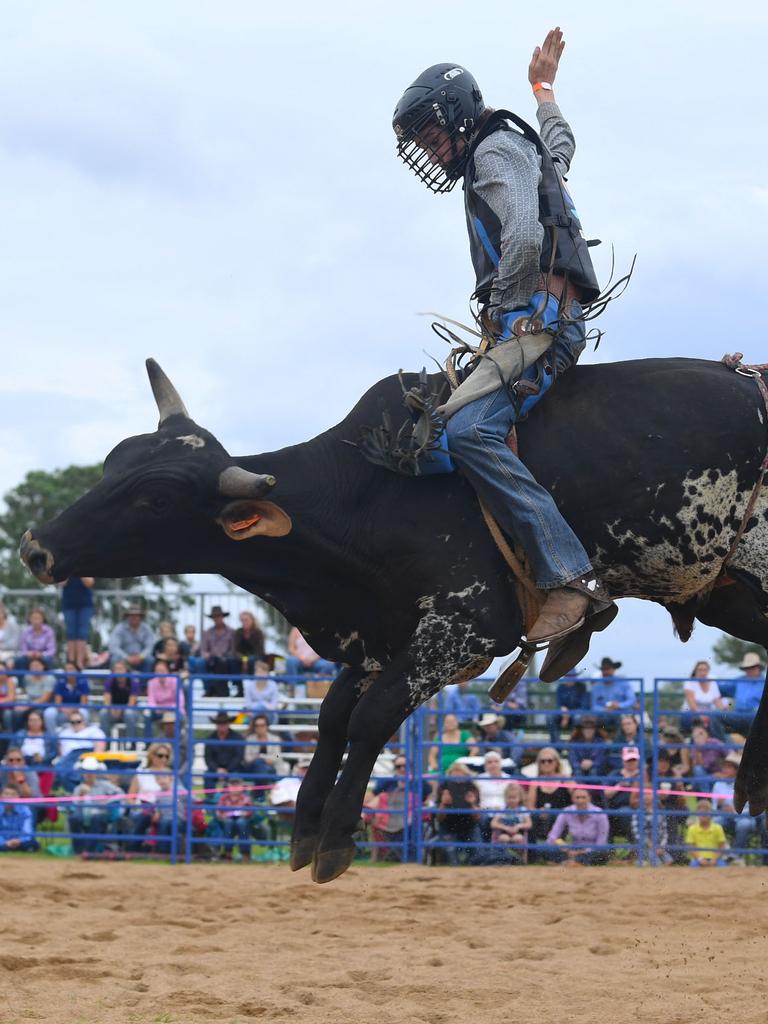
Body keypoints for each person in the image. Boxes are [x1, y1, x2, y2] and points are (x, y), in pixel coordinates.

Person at [392, 27, 615, 671]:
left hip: (535, 325)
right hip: (541, 317)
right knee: (436, 443)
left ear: (456, 119)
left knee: (464, 435)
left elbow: (519, 231)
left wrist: (504, 316)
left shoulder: (491, 156)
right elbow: (562, 149)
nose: (432, 155)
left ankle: (571, 579)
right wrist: (543, 91)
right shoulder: (521, 146)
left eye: (432, 139)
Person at [711, 751, 767, 860]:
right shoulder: (718, 784)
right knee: (716, 823)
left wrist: (735, 811)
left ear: (737, 770)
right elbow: (714, 808)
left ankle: (736, 855)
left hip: (746, 818)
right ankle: (719, 854)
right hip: (726, 818)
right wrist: (722, 808)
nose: (725, 770)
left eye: (729, 767)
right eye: (724, 767)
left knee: (744, 825)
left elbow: (753, 808)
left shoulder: (747, 785)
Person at [68, 757, 124, 854]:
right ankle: (78, 851)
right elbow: (74, 806)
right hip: (83, 815)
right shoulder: (78, 789)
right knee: (74, 819)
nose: (89, 774)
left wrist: (107, 801)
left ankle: (90, 851)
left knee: (96, 818)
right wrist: (80, 797)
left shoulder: (104, 785)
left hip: (101, 814)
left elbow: (120, 794)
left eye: (92, 771)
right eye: (86, 771)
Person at [433, 761, 482, 865]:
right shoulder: (443, 787)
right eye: (454, 776)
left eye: (460, 776)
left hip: (469, 826)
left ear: (466, 776)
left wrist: (472, 804)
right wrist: (443, 804)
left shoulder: (472, 788)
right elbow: (439, 818)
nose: (457, 780)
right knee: (452, 857)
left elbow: (477, 818)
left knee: (478, 855)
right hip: (448, 827)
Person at [525, 747, 572, 851]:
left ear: (556, 762)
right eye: (543, 761)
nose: (546, 764)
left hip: (562, 818)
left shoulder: (565, 780)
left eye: (550, 761)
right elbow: (530, 807)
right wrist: (539, 812)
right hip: (541, 819)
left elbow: (578, 797)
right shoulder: (535, 782)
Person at [547, 787, 609, 865]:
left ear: (589, 798)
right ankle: (576, 862)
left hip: (592, 850)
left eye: (583, 797)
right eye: (577, 797)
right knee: (546, 849)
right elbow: (552, 837)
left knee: (602, 853)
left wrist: (583, 852)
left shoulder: (600, 813)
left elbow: (601, 842)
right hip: (572, 849)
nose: (580, 801)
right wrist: (565, 847)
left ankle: (570, 862)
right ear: (572, 799)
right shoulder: (566, 811)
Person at [722, 651, 764, 737]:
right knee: (716, 716)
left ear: (758, 667)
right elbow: (720, 687)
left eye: (752, 667)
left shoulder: (764, 682)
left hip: (754, 715)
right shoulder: (739, 680)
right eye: (747, 667)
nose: (749, 670)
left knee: (758, 723)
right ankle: (728, 747)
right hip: (738, 714)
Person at [681, 660, 727, 738]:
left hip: (709, 716)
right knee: (709, 724)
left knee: (719, 721)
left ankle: (722, 746)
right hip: (690, 714)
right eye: (700, 670)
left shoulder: (712, 683)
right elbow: (692, 706)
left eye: (705, 670)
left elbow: (718, 702)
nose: (702, 672)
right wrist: (703, 717)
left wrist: (725, 711)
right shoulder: (689, 682)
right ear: (695, 671)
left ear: (708, 671)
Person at [99, 661, 141, 744]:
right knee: (103, 712)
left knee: (129, 713)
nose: (119, 672)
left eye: (121, 669)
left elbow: (131, 703)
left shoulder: (133, 682)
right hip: (113, 711)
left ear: (126, 670)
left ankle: (132, 743)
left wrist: (121, 709)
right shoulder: (109, 682)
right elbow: (107, 701)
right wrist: (112, 709)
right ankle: (106, 742)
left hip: (129, 711)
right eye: (116, 669)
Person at [213, 778, 255, 861]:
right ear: (228, 786)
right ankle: (228, 852)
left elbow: (250, 812)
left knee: (241, 823)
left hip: (243, 820)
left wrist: (244, 814)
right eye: (232, 784)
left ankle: (245, 853)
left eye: (237, 784)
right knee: (229, 823)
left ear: (242, 786)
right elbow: (218, 812)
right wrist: (223, 815)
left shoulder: (246, 798)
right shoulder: (223, 798)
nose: (235, 787)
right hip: (226, 821)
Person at [489, 782, 531, 863]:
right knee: (504, 838)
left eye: (514, 797)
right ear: (505, 798)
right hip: (504, 832)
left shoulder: (523, 810)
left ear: (519, 798)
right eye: (509, 798)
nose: (511, 800)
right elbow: (493, 823)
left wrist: (518, 826)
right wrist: (505, 827)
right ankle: (504, 858)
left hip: (518, 832)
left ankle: (519, 860)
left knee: (518, 838)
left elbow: (529, 824)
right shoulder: (502, 810)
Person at [200, 606, 237, 698]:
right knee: (200, 663)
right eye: (215, 617)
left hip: (226, 660)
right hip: (211, 660)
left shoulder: (232, 632)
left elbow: (233, 649)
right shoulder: (207, 633)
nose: (217, 619)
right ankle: (211, 689)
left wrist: (224, 656)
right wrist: (210, 656)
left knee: (222, 662)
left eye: (218, 616)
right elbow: (203, 650)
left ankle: (214, 690)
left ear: (222, 617)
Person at [58, 576, 95, 668]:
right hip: (68, 604)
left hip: (85, 604)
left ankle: (79, 662)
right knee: (71, 633)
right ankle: (71, 661)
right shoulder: (66, 565)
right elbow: (61, 583)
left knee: (82, 633)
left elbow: (89, 582)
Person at [45, 662, 91, 732]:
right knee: (49, 713)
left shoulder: (83, 682)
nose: (69, 671)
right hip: (63, 710)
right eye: (66, 669)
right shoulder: (60, 681)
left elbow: (83, 703)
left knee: (84, 713)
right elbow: (58, 702)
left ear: (77, 671)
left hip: (77, 709)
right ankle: (53, 739)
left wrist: (73, 710)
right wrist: (65, 709)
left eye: (71, 669)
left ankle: (82, 736)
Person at [203, 711, 244, 790]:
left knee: (235, 776)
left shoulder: (237, 737)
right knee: (208, 775)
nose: (222, 725)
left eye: (224, 723)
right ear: (216, 725)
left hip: (233, 768)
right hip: (215, 769)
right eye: (219, 723)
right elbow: (208, 758)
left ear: (228, 724)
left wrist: (227, 769)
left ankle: (228, 798)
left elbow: (238, 756)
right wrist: (217, 769)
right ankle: (210, 799)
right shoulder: (210, 738)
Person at [108, 606, 155, 674]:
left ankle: (144, 684)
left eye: (136, 615)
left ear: (141, 617)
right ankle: (115, 684)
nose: (134, 617)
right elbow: (114, 647)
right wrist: (127, 657)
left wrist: (141, 656)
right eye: (131, 615)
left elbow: (150, 646)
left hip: (141, 659)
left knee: (150, 660)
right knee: (115, 659)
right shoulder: (119, 628)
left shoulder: (147, 629)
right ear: (127, 617)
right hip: (124, 659)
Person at [145, 660, 186, 737]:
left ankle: (178, 743)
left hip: (174, 709)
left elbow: (180, 701)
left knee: (178, 718)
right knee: (147, 716)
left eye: (162, 671)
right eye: (157, 671)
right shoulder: (151, 683)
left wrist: (169, 708)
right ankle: (148, 743)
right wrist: (157, 709)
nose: (160, 673)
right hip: (158, 711)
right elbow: (151, 701)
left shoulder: (175, 681)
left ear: (167, 671)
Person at [685, 798, 728, 867]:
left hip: (716, 859)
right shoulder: (692, 829)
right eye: (701, 812)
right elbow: (691, 847)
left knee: (723, 869)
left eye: (706, 812)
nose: (703, 814)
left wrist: (714, 859)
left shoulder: (718, 828)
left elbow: (722, 846)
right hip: (698, 860)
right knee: (693, 866)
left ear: (711, 813)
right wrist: (700, 859)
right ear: (697, 813)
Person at [552, 669, 590, 742]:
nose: (570, 678)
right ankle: (557, 744)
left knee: (578, 718)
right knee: (550, 718)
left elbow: (584, 706)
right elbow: (558, 704)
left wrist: (568, 714)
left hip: (575, 714)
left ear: (575, 677)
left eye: (572, 676)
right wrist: (562, 709)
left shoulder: (582, 687)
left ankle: (572, 743)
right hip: (564, 715)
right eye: (568, 676)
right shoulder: (560, 688)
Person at [0, 784, 38, 852]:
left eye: (13, 794)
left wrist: (19, 840)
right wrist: (5, 842)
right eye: (6, 794)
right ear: (1, 796)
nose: (9, 797)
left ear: (18, 797)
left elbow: (27, 831)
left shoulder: (25, 810)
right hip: (3, 841)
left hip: (19, 841)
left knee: (33, 844)